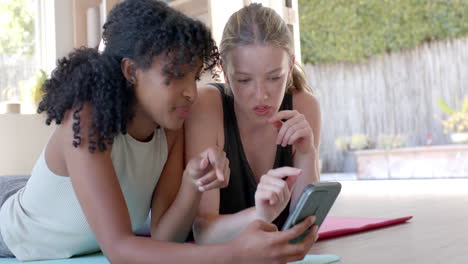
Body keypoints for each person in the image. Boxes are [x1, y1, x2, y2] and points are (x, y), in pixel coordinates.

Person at [0, 0, 317, 263]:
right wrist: (233, 253)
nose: (191, 92)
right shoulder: (87, 118)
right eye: (175, 76)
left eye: (194, 77)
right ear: (130, 71)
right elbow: (120, 250)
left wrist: (192, 185)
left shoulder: (171, 126)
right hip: (14, 227)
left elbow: (164, 235)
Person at [185, 3, 321, 244]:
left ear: (289, 67)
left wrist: (306, 153)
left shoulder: (304, 106)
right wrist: (260, 215)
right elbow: (202, 233)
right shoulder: (206, 107)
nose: (261, 95)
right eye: (245, 80)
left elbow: (302, 229)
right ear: (225, 73)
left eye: (274, 77)